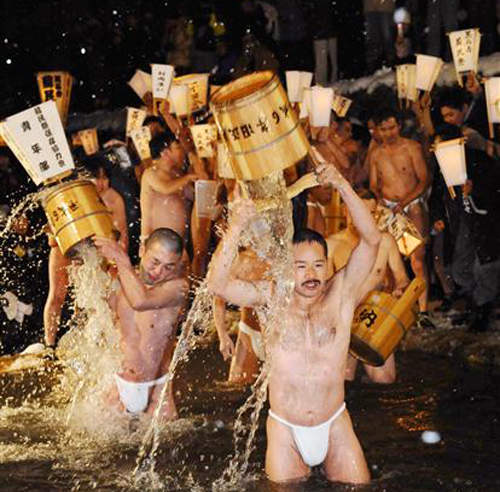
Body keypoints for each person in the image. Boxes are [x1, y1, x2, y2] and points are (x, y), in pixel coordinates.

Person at [207, 160, 379, 484]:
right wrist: (236, 228)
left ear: (329, 265)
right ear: (286, 268)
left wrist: (342, 184)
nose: (311, 274)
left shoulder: (341, 294)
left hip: (335, 422)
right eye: (300, 266)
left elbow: (371, 240)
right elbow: (218, 284)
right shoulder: (272, 298)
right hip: (286, 429)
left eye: (318, 265)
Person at [94, 228, 188, 418]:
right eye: (155, 262)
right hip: (117, 386)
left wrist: (121, 260)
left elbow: (140, 301)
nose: (159, 272)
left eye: (169, 267)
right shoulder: (119, 279)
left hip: (156, 391)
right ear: (141, 251)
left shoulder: (178, 288)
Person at [42, 161, 129, 349]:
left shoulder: (113, 199)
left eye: (105, 178)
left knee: (103, 297)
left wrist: (116, 261)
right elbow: (52, 239)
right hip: (65, 248)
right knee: (57, 294)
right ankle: (49, 344)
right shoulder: (67, 197)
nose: (101, 183)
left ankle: (106, 342)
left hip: (100, 249)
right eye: (96, 178)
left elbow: (122, 236)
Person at [326, 192, 410, 383]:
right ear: (346, 210)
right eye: (359, 212)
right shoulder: (331, 245)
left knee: (385, 380)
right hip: (343, 320)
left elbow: (402, 279)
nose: (365, 218)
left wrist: (399, 291)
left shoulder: (386, 242)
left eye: (371, 213)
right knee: (344, 380)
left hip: (373, 319)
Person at [369, 108, 432, 327]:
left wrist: (404, 203)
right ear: (377, 130)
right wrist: (382, 202)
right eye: (384, 129)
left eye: (392, 127)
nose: (389, 133)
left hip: (411, 206)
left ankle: (423, 311)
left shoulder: (411, 148)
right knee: (386, 262)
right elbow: (373, 185)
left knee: (417, 260)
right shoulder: (376, 154)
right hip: (389, 209)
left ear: (399, 126)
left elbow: (423, 180)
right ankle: (391, 308)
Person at [213, 248, 270, 384]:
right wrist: (222, 334)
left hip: (277, 338)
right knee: (235, 387)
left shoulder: (284, 259)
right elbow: (219, 297)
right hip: (248, 334)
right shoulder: (241, 260)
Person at [141, 130, 197, 248]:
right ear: (165, 152)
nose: (182, 151)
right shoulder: (150, 173)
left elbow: (193, 196)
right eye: (177, 147)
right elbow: (166, 188)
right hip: (155, 245)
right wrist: (188, 177)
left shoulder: (177, 175)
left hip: (179, 245)